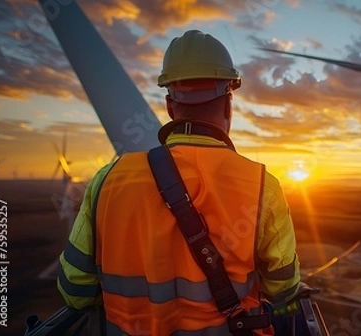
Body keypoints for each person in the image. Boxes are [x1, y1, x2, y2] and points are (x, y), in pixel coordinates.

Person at [57, 30, 304, 335]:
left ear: (170, 107)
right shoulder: (262, 185)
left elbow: (74, 291)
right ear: (229, 104)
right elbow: (283, 289)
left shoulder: (108, 179)